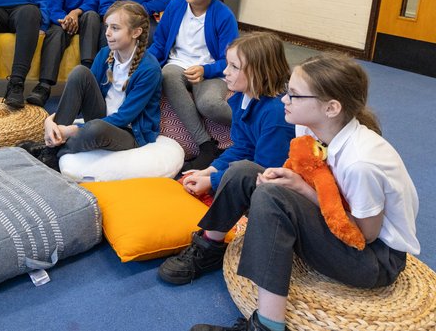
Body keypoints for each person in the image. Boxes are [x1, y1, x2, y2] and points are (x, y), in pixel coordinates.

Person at [160, 54, 419, 331]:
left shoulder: (361, 163)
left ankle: (268, 326)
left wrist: (301, 190)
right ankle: (210, 248)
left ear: (331, 108)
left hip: (373, 259)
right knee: (244, 170)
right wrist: (290, 179)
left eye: (294, 95)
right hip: (340, 230)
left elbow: (365, 234)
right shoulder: (309, 126)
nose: (284, 99)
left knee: (272, 198)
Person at [24, 1, 161, 170]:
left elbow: (124, 117)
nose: (108, 33)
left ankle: (53, 151)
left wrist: (73, 129)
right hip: (101, 115)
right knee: (80, 72)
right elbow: (85, 95)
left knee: (95, 129)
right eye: (107, 27)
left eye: (115, 28)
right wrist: (50, 120)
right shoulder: (105, 54)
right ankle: (51, 145)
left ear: (136, 32)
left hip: (129, 131)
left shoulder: (149, 69)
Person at [180, 32, 295, 199]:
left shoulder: (276, 115)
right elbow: (243, 147)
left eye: (234, 66)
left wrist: (213, 182)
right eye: (227, 64)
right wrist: (210, 171)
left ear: (259, 72)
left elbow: (265, 172)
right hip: (254, 177)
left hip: (272, 190)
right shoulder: (243, 96)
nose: (225, 71)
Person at [148, 0, 238, 169]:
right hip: (177, 66)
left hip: (211, 72)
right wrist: (144, 64)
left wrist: (205, 70)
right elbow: (159, 44)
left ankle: (255, 126)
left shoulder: (224, 15)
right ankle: (206, 144)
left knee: (209, 104)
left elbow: (230, 59)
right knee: (168, 74)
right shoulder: (175, 6)